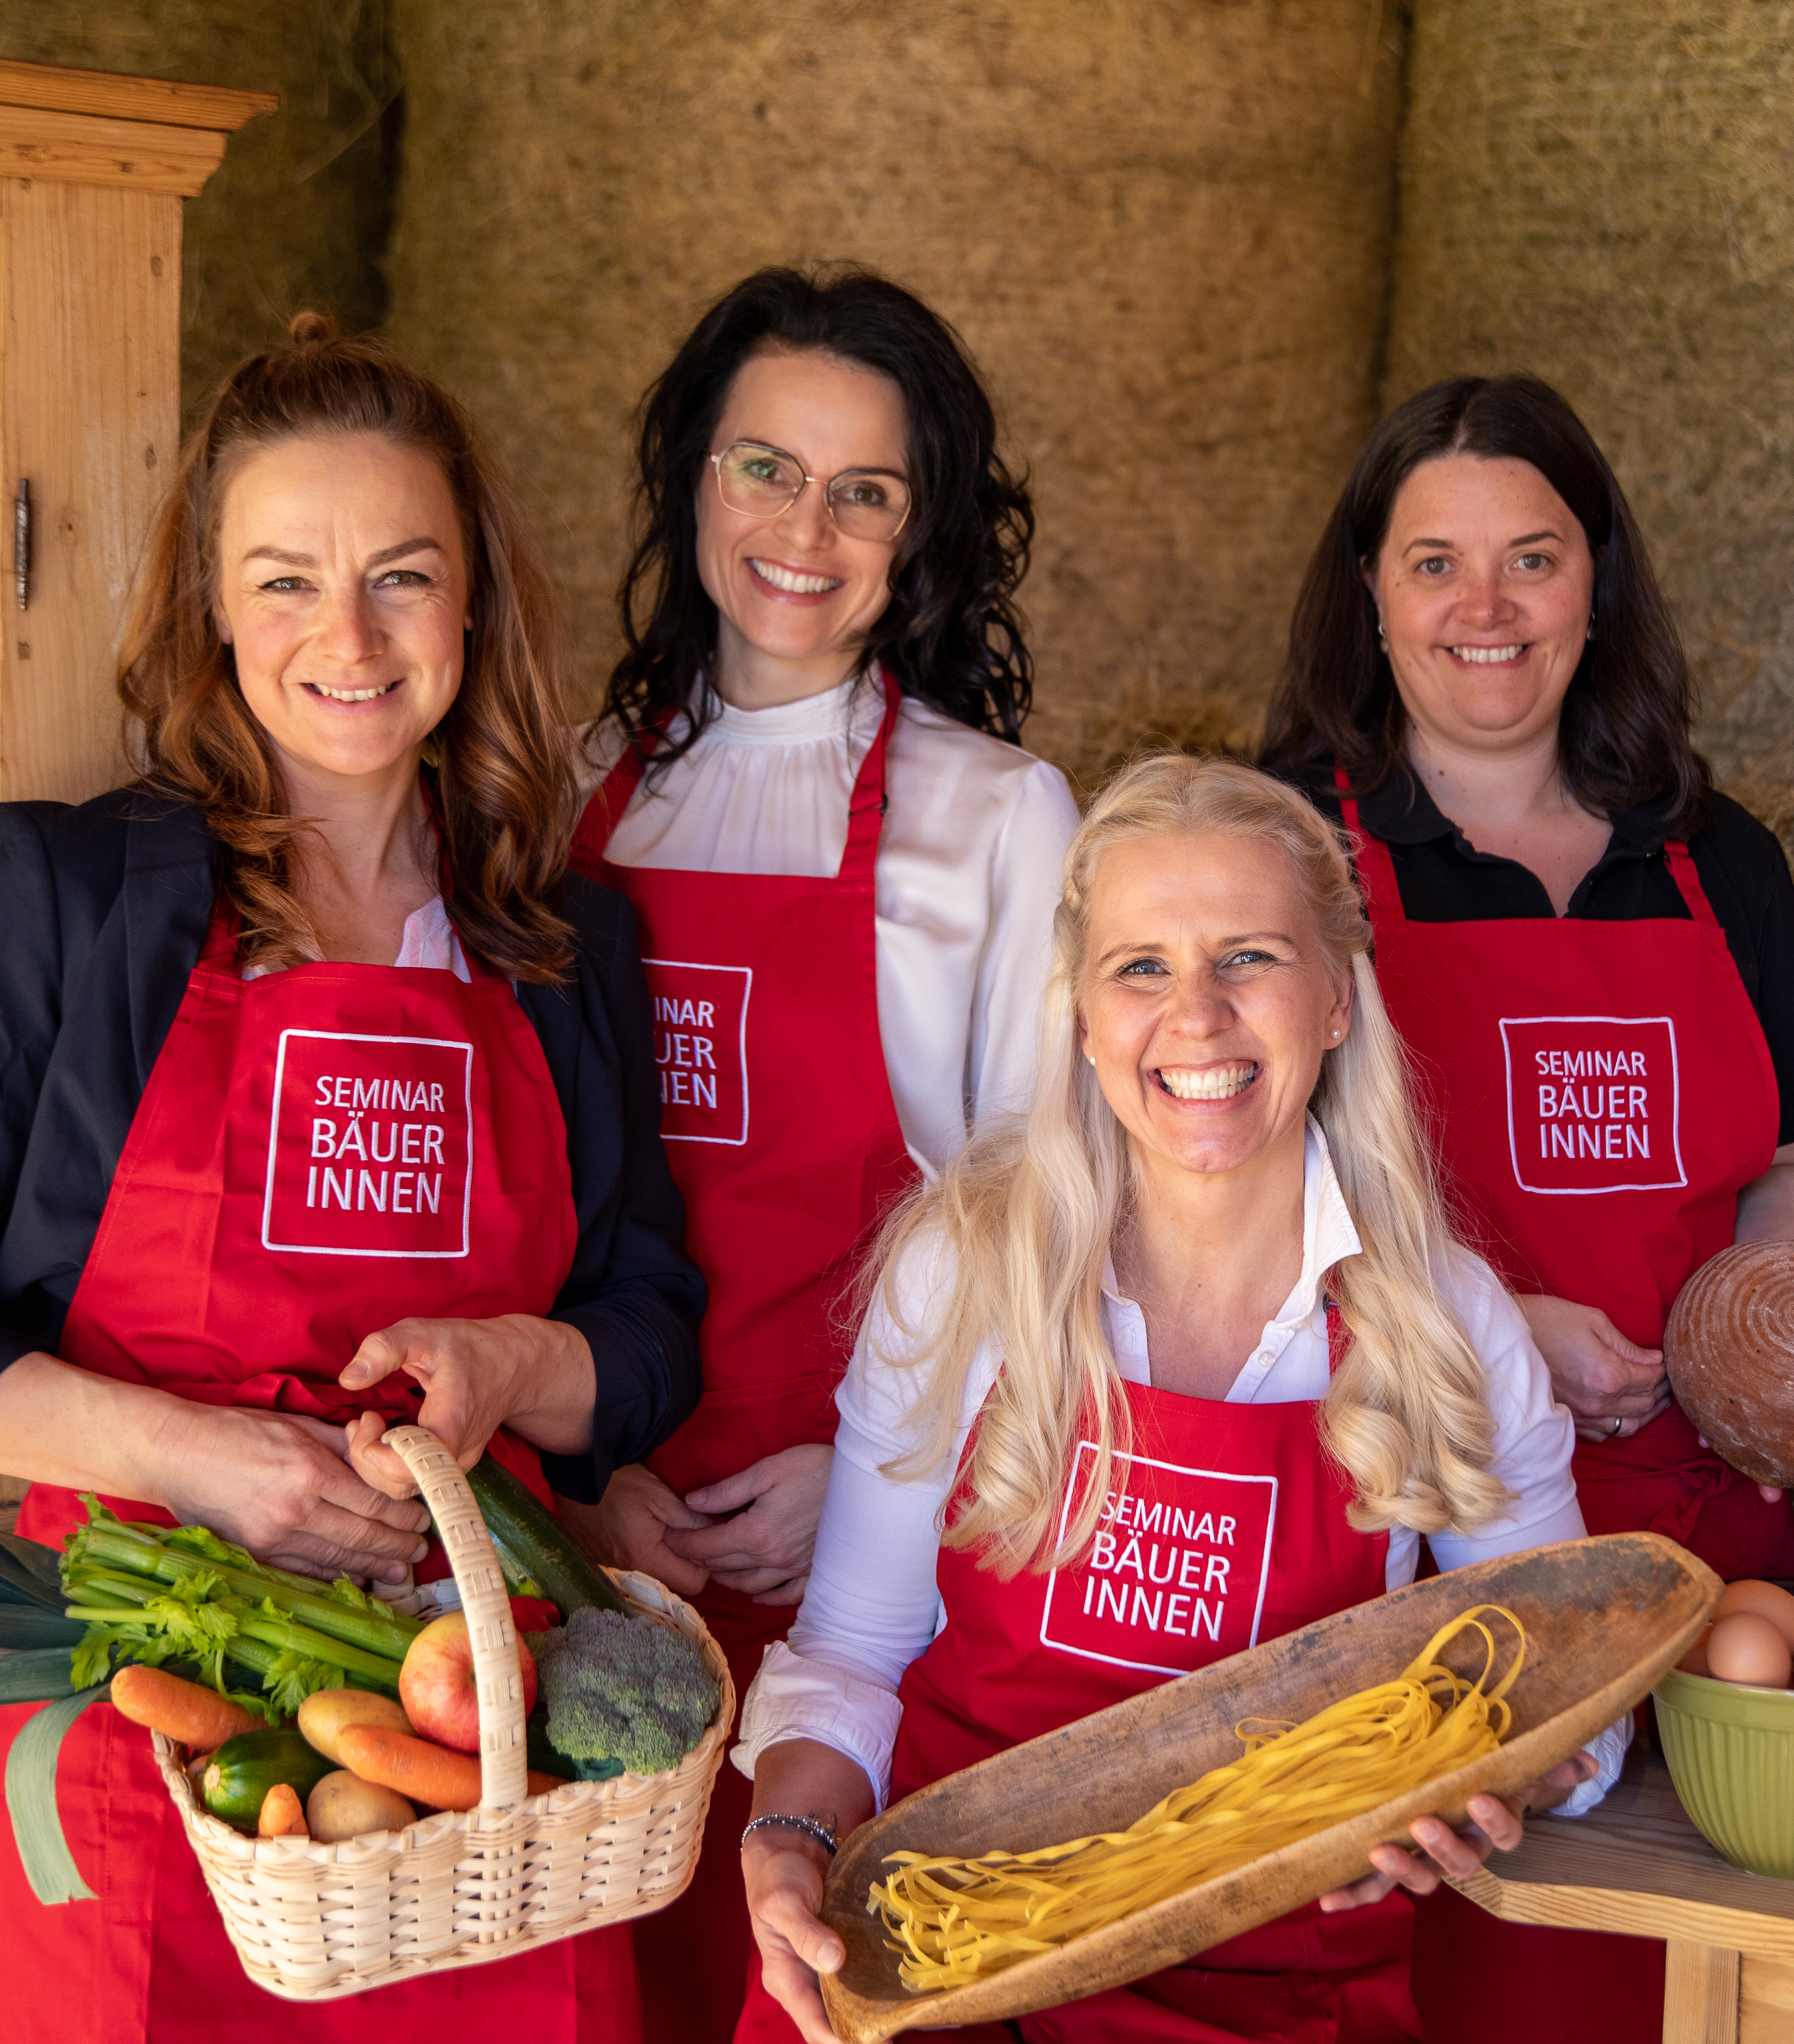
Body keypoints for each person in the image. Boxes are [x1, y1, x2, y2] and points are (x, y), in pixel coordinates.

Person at [0, 315, 704, 2044]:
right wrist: (201, 1459)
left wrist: (519, 1366)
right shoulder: (62, 899)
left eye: (403, 576)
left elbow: (651, 1323)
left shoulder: (560, 944)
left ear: (474, 607)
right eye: (286, 580)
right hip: (151, 1718)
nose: (349, 636)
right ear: (211, 613)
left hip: (478, 1750)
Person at [732, 755, 1621, 2044]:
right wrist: (788, 1832)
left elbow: (1572, 1684)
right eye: (1139, 966)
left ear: (1333, 999)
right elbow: (854, 1652)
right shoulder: (962, 1269)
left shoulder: (1445, 1321)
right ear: (1082, 1017)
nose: (1194, 1016)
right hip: (950, 1970)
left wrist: (1510, 1777)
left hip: (1284, 1991)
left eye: (1248, 956)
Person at [565, 265, 1081, 2037]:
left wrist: (874, 1489)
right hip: (592, 1566)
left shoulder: (996, 814)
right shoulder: (573, 790)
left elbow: (1050, 1227)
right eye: (763, 468)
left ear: (920, 536)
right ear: (689, 483)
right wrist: (578, 1488)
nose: (807, 527)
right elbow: (520, 1208)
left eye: (866, 491)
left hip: (864, 1584)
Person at [1260, 373, 1794, 2044]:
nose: (1482, 609)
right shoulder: (1292, 852)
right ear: (1367, 589)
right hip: (1437, 1546)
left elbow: (1789, 1160)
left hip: (1726, 1543)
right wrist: (1491, 1331)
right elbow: (1208, 1192)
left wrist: (1757, 1317)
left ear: (1598, 582)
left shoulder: (1723, 858)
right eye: (1432, 561)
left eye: (1532, 559)